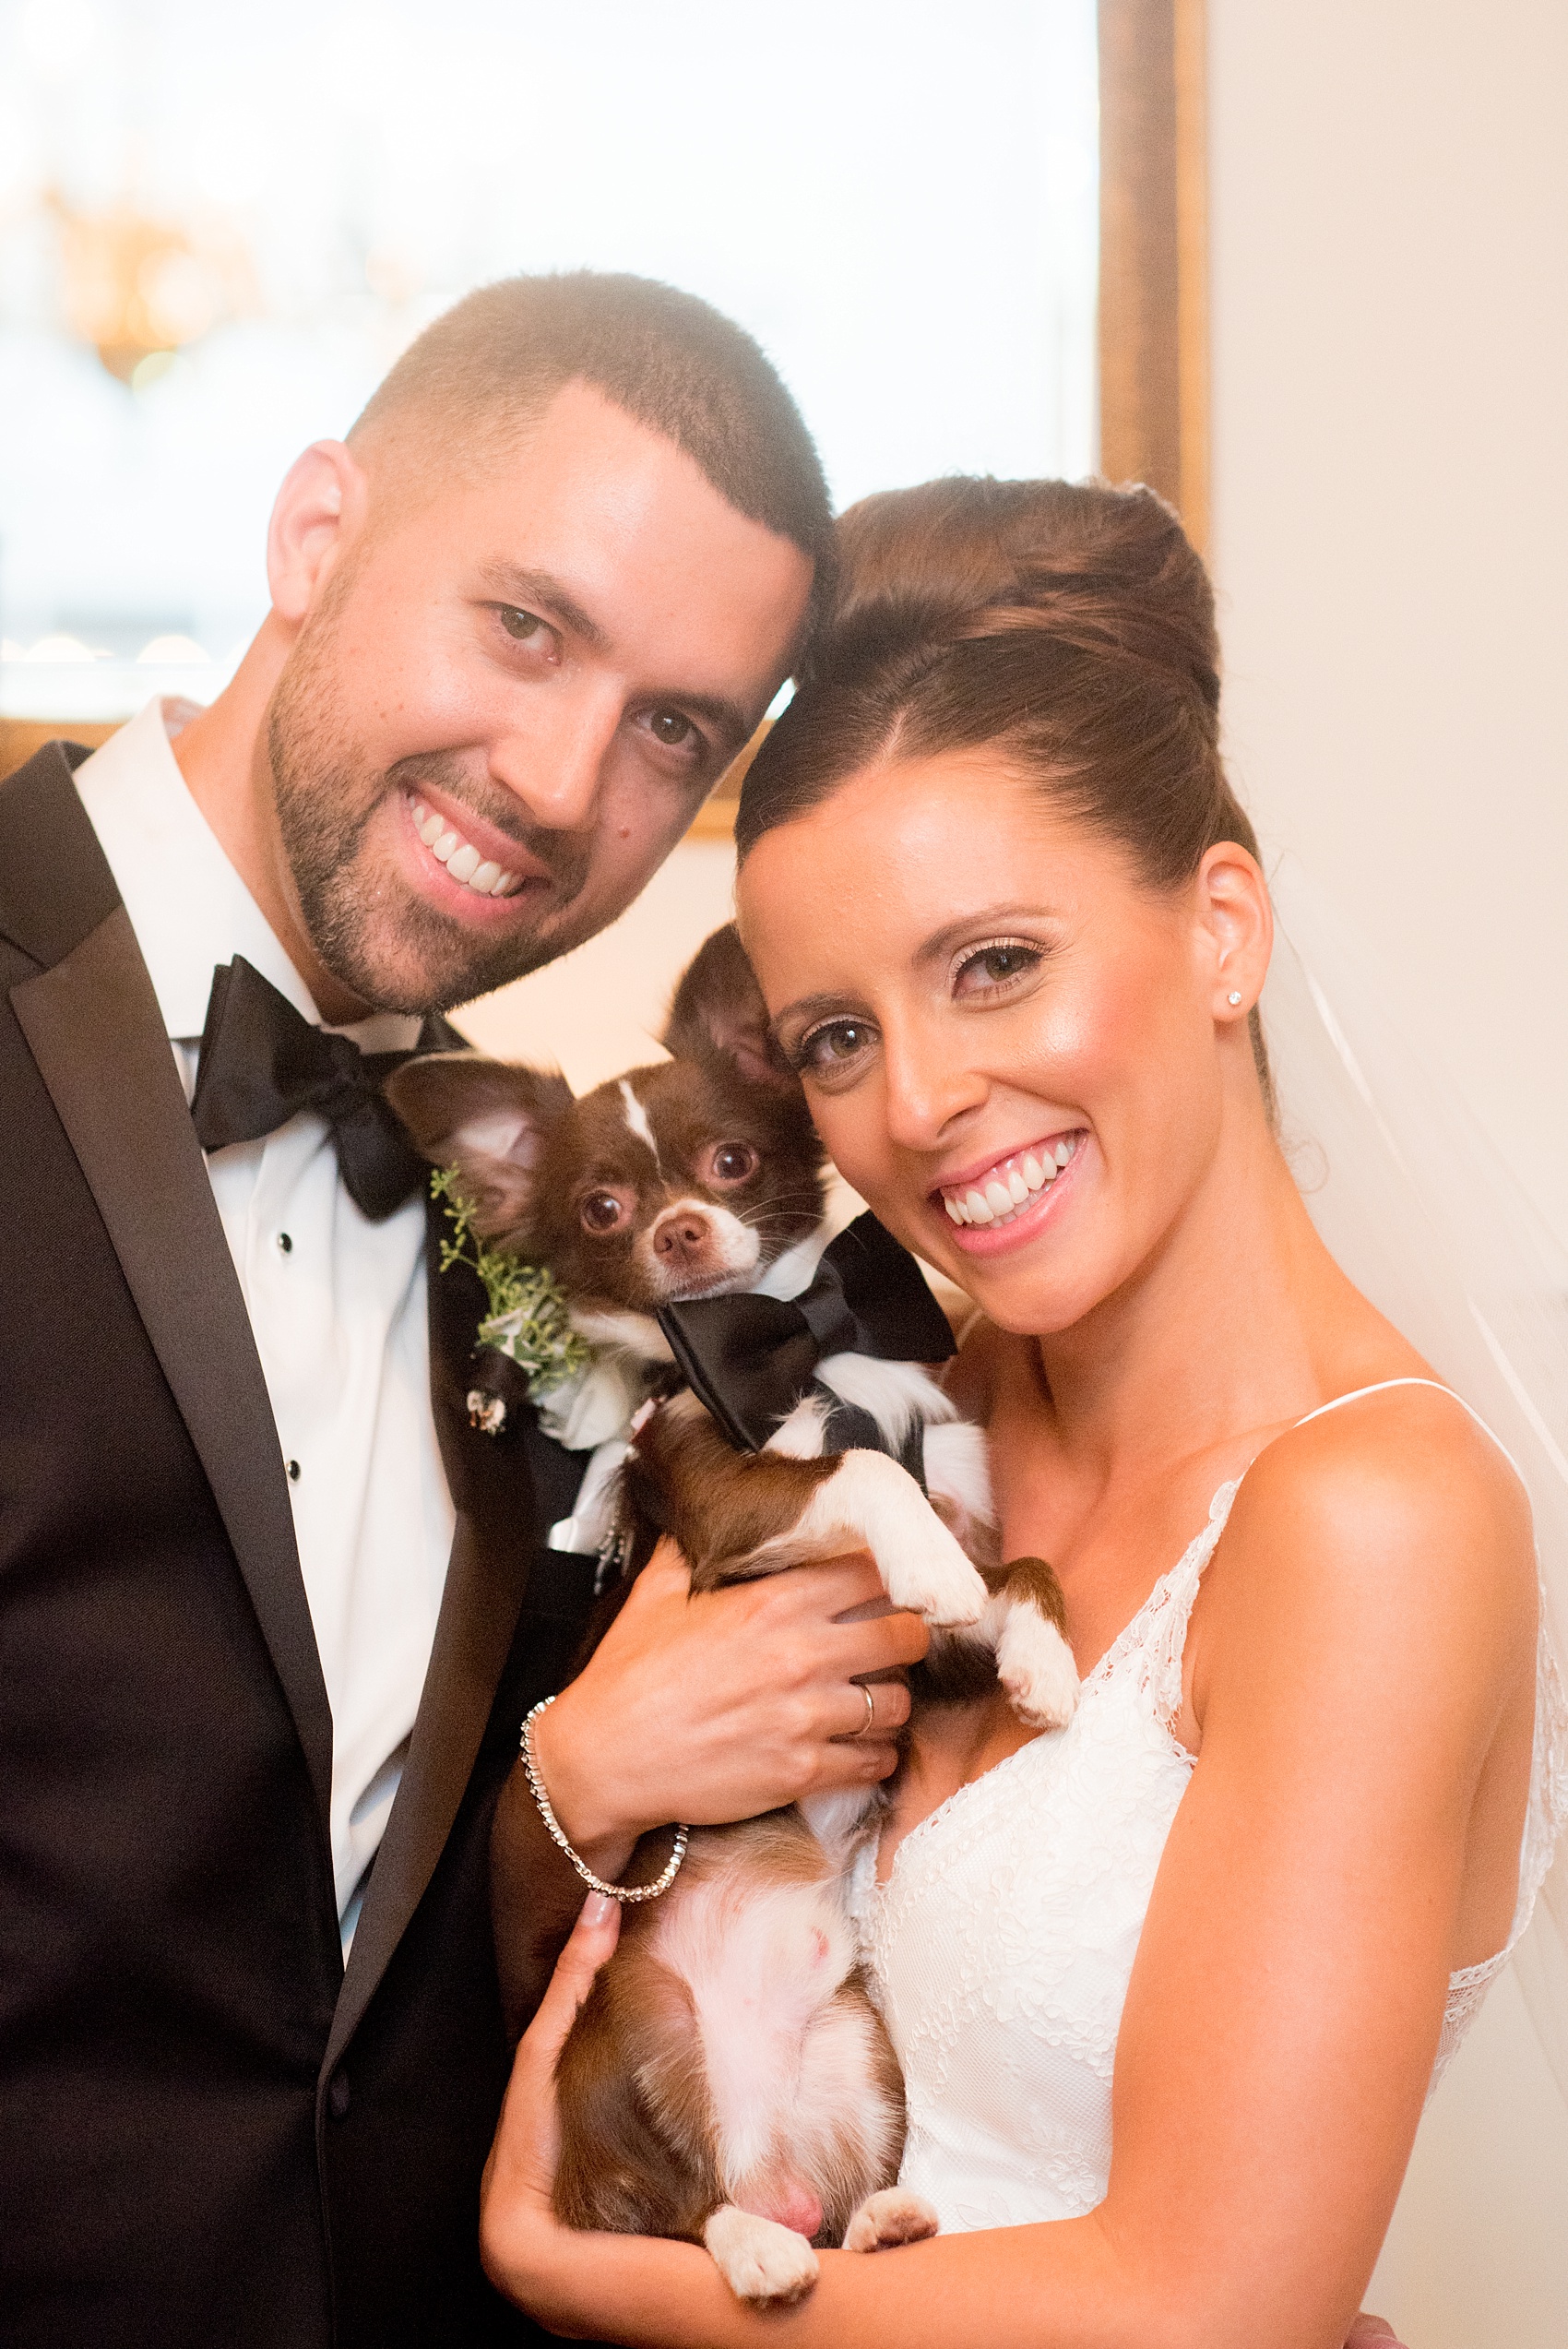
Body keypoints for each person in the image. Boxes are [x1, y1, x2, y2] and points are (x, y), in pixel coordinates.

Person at [478, 477, 1568, 2347]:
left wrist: (581, 2277)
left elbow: (1202, 2303)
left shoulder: (1372, 1517)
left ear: (1221, 925)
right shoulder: (879, 1428)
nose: (918, 1100)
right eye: (836, 1035)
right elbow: (596, 1951)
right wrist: (574, 1780)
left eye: (996, 964)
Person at [0, 271, 937, 2349]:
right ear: (315, 533)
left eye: (672, 728)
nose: (555, 775)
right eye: (527, 625)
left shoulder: (550, 1219)